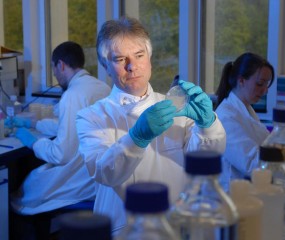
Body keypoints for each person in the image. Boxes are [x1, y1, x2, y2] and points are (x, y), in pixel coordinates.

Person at [76, 17, 226, 236]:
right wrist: (136, 138)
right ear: (106, 67)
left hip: (177, 224)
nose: (132, 66)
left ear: (150, 59)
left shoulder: (177, 108)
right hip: (124, 229)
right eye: (119, 59)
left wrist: (208, 124)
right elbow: (104, 172)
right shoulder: (91, 117)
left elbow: (205, 159)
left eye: (139, 55)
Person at [10, 41, 111, 237]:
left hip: (79, 179)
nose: (54, 74)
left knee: (21, 195)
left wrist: (33, 142)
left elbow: (61, 154)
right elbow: (70, 124)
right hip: (99, 178)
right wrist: (34, 124)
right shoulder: (100, 87)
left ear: (61, 65)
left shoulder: (72, 95)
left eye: (53, 68)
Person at [215, 52, 274, 182]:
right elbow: (252, 164)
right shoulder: (225, 118)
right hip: (232, 195)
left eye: (267, 84)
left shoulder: (245, 109)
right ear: (241, 80)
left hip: (248, 189)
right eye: (260, 83)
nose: (265, 90)